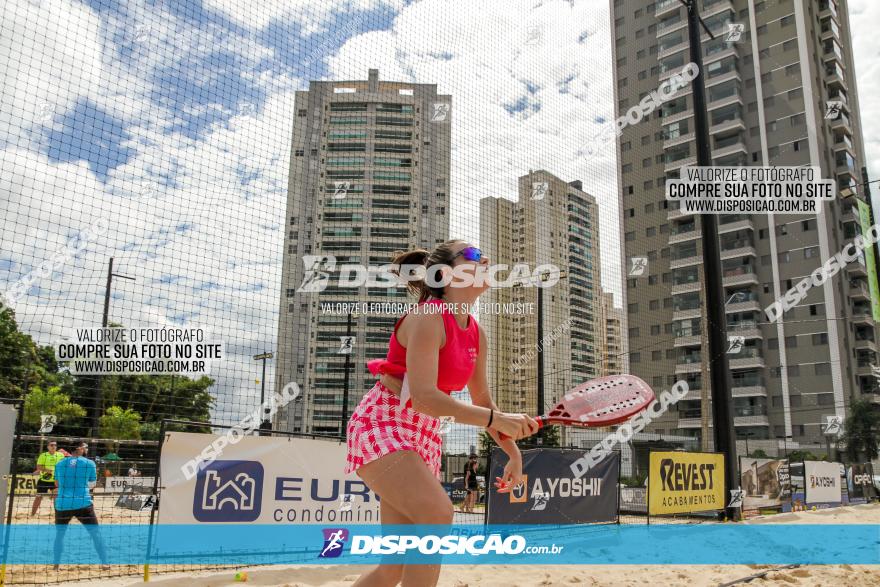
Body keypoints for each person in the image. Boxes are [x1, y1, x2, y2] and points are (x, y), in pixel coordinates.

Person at [345, 240, 539, 587]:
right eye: (476, 256)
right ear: (447, 274)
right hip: (384, 421)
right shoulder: (429, 316)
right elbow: (423, 398)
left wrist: (513, 453)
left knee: (394, 567)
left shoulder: (477, 332)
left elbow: (483, 402)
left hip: (424, 434)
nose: (487, 259)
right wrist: (497, 420)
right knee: (436, 513)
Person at [53, 442, 109, 570]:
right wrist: (80, 485)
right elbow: (93, 484)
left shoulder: (59, 463)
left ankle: (56, 565)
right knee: (95, 533)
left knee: (60, 535)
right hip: (82, 503)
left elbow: (57, 484)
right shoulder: (89, 463)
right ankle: (105, 562)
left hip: (63, 503)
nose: (86, 449)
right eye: (85, 447)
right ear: (79, 448)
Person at [31, 440, 64, 516]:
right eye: (51, 445)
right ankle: (32, 514)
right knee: (38, 497)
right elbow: (38, 467)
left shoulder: (60, 455)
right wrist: (47, 470)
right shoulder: (43, 455)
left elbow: (63, 466)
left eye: (55, 445)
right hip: (44, 480)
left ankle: (57, 514)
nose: (53, 446)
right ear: (48, 447)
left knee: (56, 497)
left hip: (55, 480)